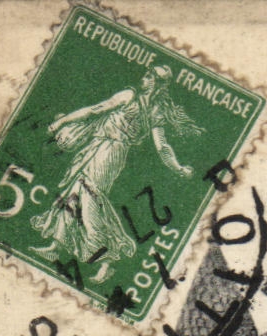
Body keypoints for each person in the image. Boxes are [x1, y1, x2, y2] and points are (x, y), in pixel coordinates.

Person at [29, 63, 201, 283]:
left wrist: (178, 168)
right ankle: (56, 245)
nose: (146, 78)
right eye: (147, 74)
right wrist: (63, 121)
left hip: (111, 152)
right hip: (100, 147)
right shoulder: (140, 101)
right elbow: (97, 110)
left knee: (89, 201)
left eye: (151, 77)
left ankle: (108, 259)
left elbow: (161, 146)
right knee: (74, 193)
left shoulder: (143, 104)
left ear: (158, 84)